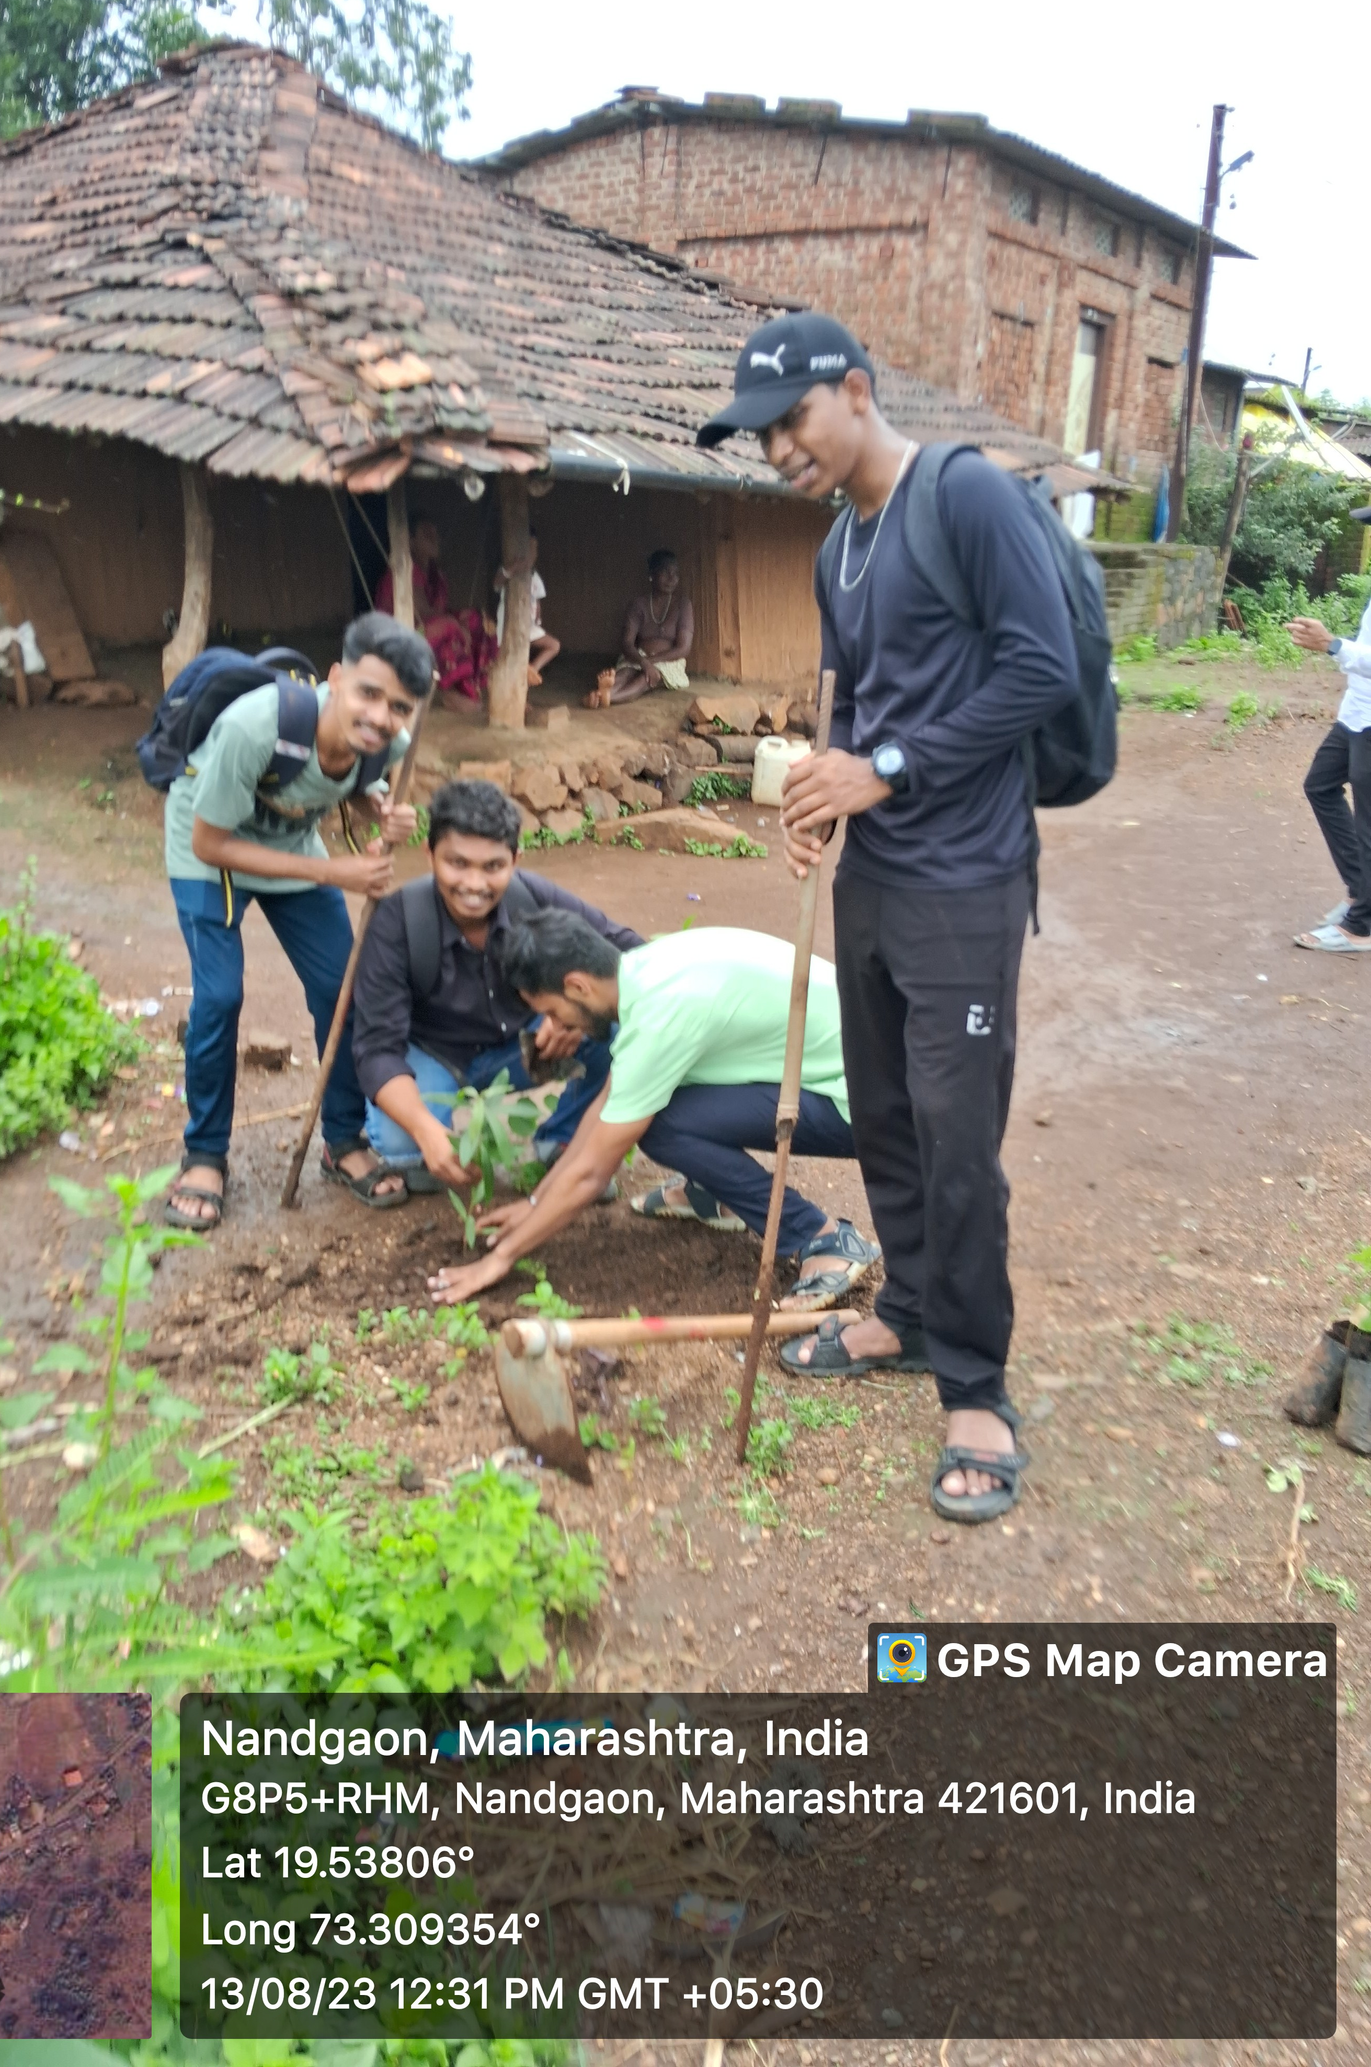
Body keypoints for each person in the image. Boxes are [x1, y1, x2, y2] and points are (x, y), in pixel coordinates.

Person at [698, 310, 1078, 1523]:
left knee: (959, 1141)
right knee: (889, 1120)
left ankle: (976, 1389)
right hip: (872, 877)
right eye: (760, 440)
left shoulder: (964, 498)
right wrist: (821, 787)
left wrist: (888, 770)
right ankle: (907, 1314)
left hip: (964, 881)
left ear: (854, 390)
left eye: (789, 423)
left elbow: (1042, 667)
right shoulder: (835, 547)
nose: (778, 453)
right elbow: (850, 698)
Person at [426, 909, 879, 1310]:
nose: (558, 1027)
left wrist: (500, 1258)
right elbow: (609, 1103)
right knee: (646, 1106)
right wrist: (535, 1201)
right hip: (866, 1065)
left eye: (554, 1011)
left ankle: (820, 1238)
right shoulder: (650, 966)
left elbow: (592, 1172)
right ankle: (713, 1189)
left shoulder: (660, 1016)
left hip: (868, 1105)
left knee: (660, 1125)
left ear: (577, 985)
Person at [163, 612, 432, 1229]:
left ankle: (343, 1141)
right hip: (207, 847)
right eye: (368, 694)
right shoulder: (255, 727)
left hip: (289, 846)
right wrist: (337, 873)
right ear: (335, 679)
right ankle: (204, 1155)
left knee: (344, 990)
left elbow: (348, 787)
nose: (381, 716)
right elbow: (211, 844)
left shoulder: (386, 744)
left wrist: (381, 807)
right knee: (220, 996)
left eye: (399, 706)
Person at [353, 780, 643, 1194]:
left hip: (524, 1047)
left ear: (515, 860)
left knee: (614, 1033)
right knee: (408, 1151)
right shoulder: (397, 921)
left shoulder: (533, 897)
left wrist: (574, 1019)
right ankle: (419, 1138)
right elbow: (377, 1048)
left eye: (493, 867)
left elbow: (628, 955)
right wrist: (425, 1130)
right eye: (457, 864)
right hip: (435, 1054)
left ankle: (562, 1144)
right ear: (430, 854)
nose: (474, 884)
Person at [1289, 517, 1371, 955]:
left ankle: (1361, 929)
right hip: (1357, 712)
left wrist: (1334, 645)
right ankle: (1360, 891)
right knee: (1320, 784)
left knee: (1369, 821)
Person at [375, 513, 495, 708]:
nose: (435, 539)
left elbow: (439, 610)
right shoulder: (405, 570)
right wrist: (456, 624)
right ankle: (449, 692)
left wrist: (462, 622)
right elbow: (422, 613)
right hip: (401, 635)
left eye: (435, 534)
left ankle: (476, 684)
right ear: (411, 542)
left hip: (426, 627)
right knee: (449, 626)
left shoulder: (435, 574)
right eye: (426, 534)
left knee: (475, 619)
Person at [586, 550, 695, 707]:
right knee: (624, 674)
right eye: (665, 572)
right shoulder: (639, 605)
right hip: (639, 656)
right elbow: (627, 643)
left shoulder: (683, 605)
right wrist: (642, 661)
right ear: (652, 574)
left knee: (645, 679)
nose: (672, 578)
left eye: (675, 573)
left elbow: (683, 649)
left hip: (669, 661)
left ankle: (605, 697)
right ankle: (600, 695)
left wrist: (649, 663)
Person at [493, 536, 560, 685]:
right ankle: (515, 696)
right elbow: (497, 582)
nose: (532, 553)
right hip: (508, 627)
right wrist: (513, 569)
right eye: (529, 548)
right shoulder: (508, 571)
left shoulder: (535, 576)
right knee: (511, 662)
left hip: (528, 627)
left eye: (534, 549)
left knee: (553, 645)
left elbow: (537, 600)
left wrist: (538, 619)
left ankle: (531, 670)